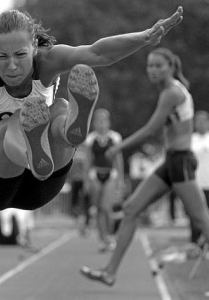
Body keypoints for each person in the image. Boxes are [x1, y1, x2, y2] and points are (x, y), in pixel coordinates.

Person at [0, 7, 183, 212]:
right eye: (1, 57)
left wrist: (144, 37)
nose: (11, 66)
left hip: (43, 184)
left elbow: (98, 54)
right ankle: (35, 151)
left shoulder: (48, 61)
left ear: (34, 46)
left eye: (20, 55)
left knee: (61, 106)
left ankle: (69, 133)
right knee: (24, 116)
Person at [80, 47, 209, 286]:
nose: (152, 70)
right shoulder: (169, 91)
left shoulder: (171, 92)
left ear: (170, 67)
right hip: (170, 162)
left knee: (203, 221)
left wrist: (118, 148)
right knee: (130, 209)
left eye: (158, 65)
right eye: (149, 65)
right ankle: (110, 272)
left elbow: (151, 129)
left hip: (181, 161)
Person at [85, 108, 124, 252]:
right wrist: (86, 180)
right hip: (95, 174)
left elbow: (118, 159)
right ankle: (102, 239)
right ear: (95, 123)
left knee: (107, 207)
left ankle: (110, 236)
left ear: (108, 122)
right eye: (98, 120)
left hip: (110, 174)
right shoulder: (91, 138)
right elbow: (88, 160)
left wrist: (120, 180)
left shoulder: (115, 138)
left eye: (104, 120)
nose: (101, 123)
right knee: (99, 209)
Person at [190, 110, 209, 245]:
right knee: (195, 214)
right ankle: (196, 242)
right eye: (198, 121)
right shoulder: (191, 140)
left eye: (203, 121)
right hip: (194, 184)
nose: (200, 123)